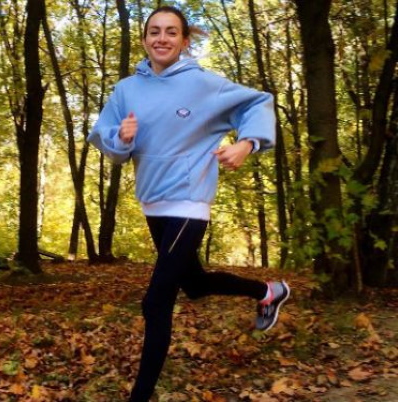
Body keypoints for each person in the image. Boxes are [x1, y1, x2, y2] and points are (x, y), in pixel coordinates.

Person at [87, 5, 290, 402]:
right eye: (154, 31)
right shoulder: (127, 88)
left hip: (189, 200)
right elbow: (108, 142)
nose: (162, 38)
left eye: (171, 32)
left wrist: (247, 143)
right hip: (153, 201)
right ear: (144, 38)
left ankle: (139, 397)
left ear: (183, 40)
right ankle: (269, 291)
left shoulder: (204, 85)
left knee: (156, 300)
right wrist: (121, 137)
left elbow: (257, 102)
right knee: (194, 285)